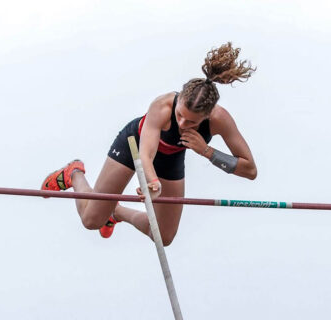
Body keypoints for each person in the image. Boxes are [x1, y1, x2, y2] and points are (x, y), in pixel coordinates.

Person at [41, 42, 257, 246]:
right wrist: (152, 182)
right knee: (91, 220)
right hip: (134, 144)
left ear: (208, 115)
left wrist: (207, 151)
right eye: (180, 114)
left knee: (163, 236)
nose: (182, 123)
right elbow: (145, 154)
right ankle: (74, 173)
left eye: (191, 121)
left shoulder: (221, 119)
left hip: (171, 156)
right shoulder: (162, 106)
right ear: (179, 99)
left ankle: (117, 213)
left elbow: (250, 170)